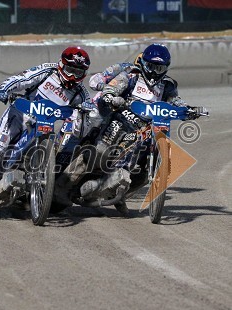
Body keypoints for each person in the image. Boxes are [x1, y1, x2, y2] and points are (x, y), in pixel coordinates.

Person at [0, 46, 94, 217]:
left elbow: (81, 129)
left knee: (40, 159)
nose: (73, 76)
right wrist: (5, 89)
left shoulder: (82, 94)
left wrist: (84, 112)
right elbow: (21, 79)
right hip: (18, 117)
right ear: (61, 64)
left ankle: (28, 193)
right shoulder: (47, 71)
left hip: (43, 127)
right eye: (70, 70)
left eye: (78, 72)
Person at [64, 43, 196, 215]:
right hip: (120, 122)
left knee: (144, 171)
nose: (155, 72)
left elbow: (175, 101)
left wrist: (188, 109)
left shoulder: (168, 85)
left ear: (166, 68)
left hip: (148, 128)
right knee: (98, 152)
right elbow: (111, 88)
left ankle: (120, 193)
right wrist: (111, 97)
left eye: (160, 68)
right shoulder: (130, 75)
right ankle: (63, 186)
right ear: (143, 64)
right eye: (151, 66)